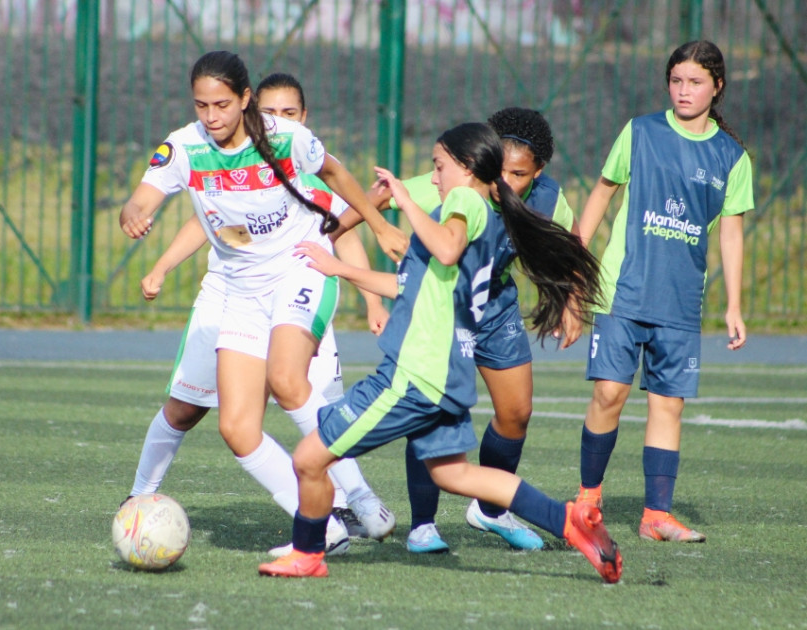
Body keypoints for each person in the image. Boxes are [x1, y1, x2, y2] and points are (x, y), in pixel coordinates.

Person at [258, 122, 622, 583]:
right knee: (455, 475)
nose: (433, 178)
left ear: (467, 169)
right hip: (447, 374)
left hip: (412, 375)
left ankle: (307, 554)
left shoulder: (464, 201)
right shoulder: (487, 217)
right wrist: (338, 268)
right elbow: (408, 284)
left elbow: (446, 251)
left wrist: (404, 203)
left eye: (439, 166)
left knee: (309, 458)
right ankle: (568, 520)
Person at [118, 52, 407, 553]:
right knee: (235, 427)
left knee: (289, 380)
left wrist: (380, 226)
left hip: (299, 269)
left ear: (246, 99)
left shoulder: (284, 137)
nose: (211, 116)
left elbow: (337, 174)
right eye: (201, 105)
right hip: (239, 289)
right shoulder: (184, 146)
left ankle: (352, 498)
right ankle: (326, 529)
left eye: (222, 105)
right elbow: (143, 197)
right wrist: (134, 214)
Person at [365, 108, 581, 554]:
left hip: (496, 307)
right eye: (499, 169)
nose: (505, 180)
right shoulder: (455, 180)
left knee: (516, 412)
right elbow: (374, 201)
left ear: (538, 173)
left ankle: (490, 510)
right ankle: (422, 524)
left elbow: (572, 242)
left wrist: (572, 302)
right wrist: (368, 225)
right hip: (444, 309)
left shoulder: (546, 197)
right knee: (430, 409)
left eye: (519, 174)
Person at [573, 40, 752, 543]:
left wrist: (734, 304)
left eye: (695, 82)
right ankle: (588, 499)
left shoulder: (732, 157)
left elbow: (731, 233)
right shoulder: (639, 132)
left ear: (717, 87)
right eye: (676, 81)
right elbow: (602, 193)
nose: (683, 91)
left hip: (679, 301)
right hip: (622, 292)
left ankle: (657, 515)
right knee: (609, 392)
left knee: (668, 405)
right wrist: (573, 264)